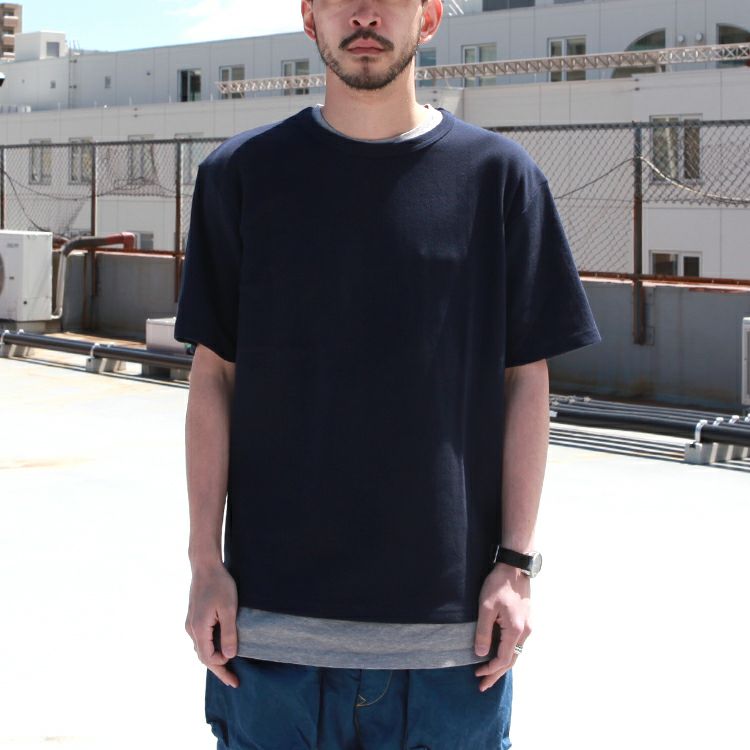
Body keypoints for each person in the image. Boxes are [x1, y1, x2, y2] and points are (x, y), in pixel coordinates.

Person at [175, 1, 600, 747]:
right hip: (270, 640)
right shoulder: (239, 175)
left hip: (453, 650)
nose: (365, 13)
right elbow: (214, 377)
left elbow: (526, 383)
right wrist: (205, 562)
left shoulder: (500, 179)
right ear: (310, 17)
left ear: (428, 17)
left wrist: (515, 565)